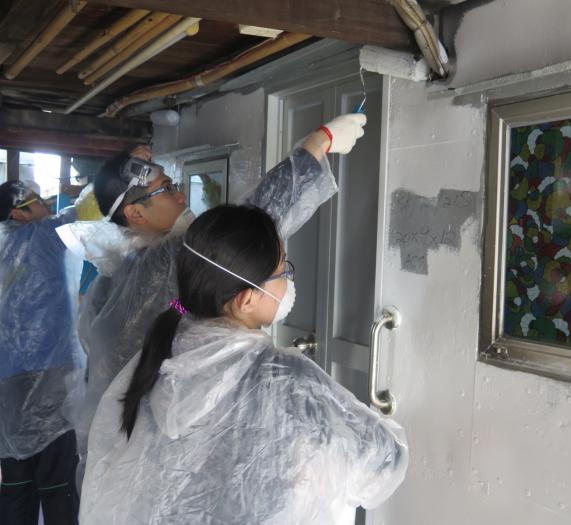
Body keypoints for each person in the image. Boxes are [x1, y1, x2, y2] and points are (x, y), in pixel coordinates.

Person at [55, 113, 367, 481]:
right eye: (167, 188)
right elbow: (248, 229)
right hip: (148, 465)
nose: (181, 193)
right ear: (135, 212)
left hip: (119, 464)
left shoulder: (119, 271)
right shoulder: (162, 263)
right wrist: (318, 143)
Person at [79, 205, 408, 525]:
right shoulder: (282, 376)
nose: (288, 282)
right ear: (247, 298)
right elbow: (384, 462)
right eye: (284, 271)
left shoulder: (161, 350)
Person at [0, 181, 84, 525]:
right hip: (49, 374)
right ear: (19, 212)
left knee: (16, 480)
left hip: (5, 379)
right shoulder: (45, 237)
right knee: (57, 483)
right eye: (38, 201)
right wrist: (128, 166)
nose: (47, 205)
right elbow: (94, 207)